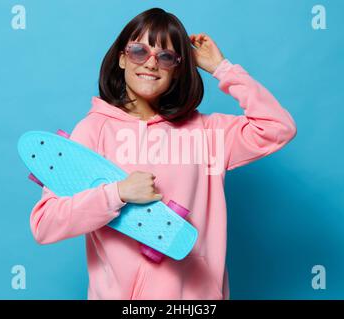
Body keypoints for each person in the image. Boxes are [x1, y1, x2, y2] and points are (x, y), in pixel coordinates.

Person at [29, 7, 297, 300]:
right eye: (138, 51)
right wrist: (116, 193)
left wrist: (222, 68)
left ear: (178, 69)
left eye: (166, 56)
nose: (151, 63)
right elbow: (45, 224)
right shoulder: (93, 130)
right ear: (121, 58)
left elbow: (278, 127)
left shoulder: (207, 134)